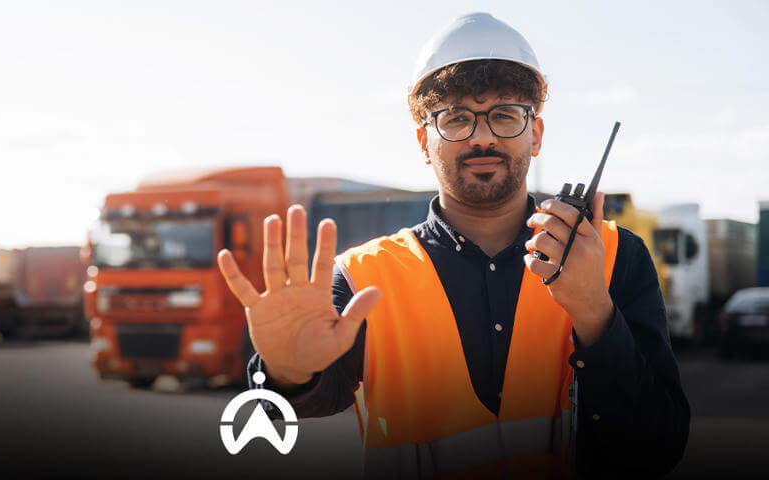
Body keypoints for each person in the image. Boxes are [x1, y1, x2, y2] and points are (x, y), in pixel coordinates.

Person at [216, 12, 689, 479]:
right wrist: (285, 373)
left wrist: (594, 314)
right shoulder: (363, 277)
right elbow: (282, 406)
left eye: (505, 115)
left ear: (536, 134)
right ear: (425, 142)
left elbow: (656, 447)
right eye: (457, 119)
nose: (482, 137)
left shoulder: (612, 257)